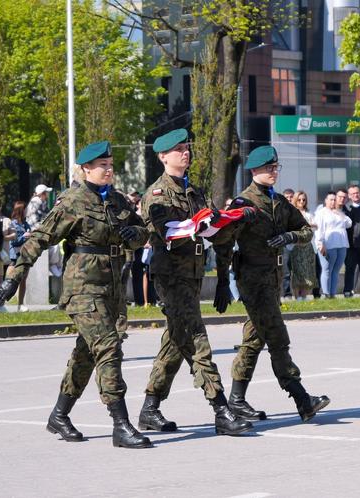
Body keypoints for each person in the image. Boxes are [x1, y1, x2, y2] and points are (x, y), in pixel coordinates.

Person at [0, 140, 152, 449]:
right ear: (85, 169)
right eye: (102, 165)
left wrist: (138, 235)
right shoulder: (72, 201)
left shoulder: (119, 200)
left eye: (110, 164)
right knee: (108, 347)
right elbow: (39, 238)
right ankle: (121, 424)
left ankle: (59, 415)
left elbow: (142, 230)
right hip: (83, 287)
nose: (108, 169)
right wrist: (13, 278)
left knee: (87, 353)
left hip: (112, 287)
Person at [138, 128, 252, 436]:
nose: (185, 152)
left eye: (186, 147)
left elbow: (211, 229)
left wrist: (233, 221)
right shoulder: (157, 194)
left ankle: (149, 409)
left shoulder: (195, 191)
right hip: (171, 275)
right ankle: (220, 408)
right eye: (178, 149)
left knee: (176, 342)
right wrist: (198, 224)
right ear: (163, 156)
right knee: (196, 337)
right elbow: (168, 231)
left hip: (193, 273)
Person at [213, 145, 330, 423]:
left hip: (273, 280)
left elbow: (304, 230)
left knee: (254, 339)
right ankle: (302, 398)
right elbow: (224, 242)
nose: (274, 172)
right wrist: (221, 281)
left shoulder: (278, 201)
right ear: (254, 171)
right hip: (253, 279)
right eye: (268, 168)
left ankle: (237, 400)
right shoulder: (244, 203)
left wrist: (290, 238)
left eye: (276, 167)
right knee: (278, 337)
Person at [314, 191, 352, 298]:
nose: (333, 201)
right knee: (327, 269)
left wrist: (339, 213)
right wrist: (320, 244)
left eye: (334, 199)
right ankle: (326, 293)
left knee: (336, 270)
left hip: (342, 244)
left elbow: (349, 223)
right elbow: (318, 229)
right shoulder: (321, 212)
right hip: (328, 244)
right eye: (331, 199)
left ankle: (333, 293)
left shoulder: (338, 212)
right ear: (326, 201)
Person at [290, 191, 317, 300]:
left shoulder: (309, 213)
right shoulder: (292, 212)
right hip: (296, 245)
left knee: (307, 271)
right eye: (299, 199)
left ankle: (304, 297)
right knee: (297, 271)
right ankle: (297, 297)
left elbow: (315, 226)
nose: (301, 202)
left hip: (308, 246)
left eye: (304, 199)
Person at [9, 201, 32, 312]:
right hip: (15, 256)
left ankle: (20, 304)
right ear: (20, 210)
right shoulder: (13, 224)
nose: (27, 211)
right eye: (25, 209)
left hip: (25, 254)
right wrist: (24, 236)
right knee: (12, 280)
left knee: (23, 280)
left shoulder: (26, 224)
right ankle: (2, 304)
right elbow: (13, 242)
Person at [281, 188, 296, 299]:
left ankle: (300, 294)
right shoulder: (281, 210)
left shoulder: (297, 210)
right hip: (285, 244)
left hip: (297, 243)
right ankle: (287, 294)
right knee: (286, 271)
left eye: (291, 197)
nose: (289, 199)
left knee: (298, 270)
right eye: (287, 197)